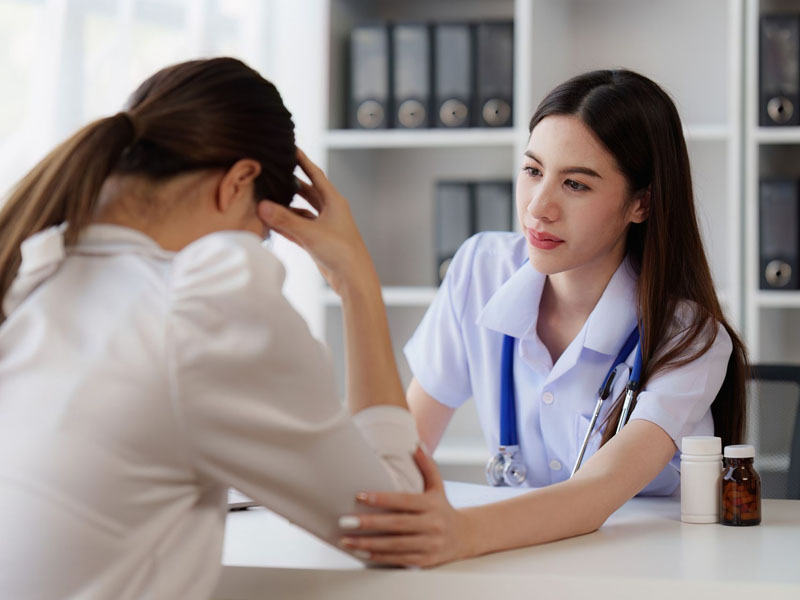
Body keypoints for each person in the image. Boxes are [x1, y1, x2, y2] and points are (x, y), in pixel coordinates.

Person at [0, 57, 423, 599]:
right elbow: (395, 522)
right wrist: (356, 280)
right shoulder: (202, 302)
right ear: (240, 181)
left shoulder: (31, 274)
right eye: (263, 231)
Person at [333, 69, 749, 567]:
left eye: (575, 184)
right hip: (513, 561)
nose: (539, 207)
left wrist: (459, 533)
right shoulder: (481, 269)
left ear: (640, 204)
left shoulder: (690, 337)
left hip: (642, 570)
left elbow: (598, 490)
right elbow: (403, 447)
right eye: (533, 170)